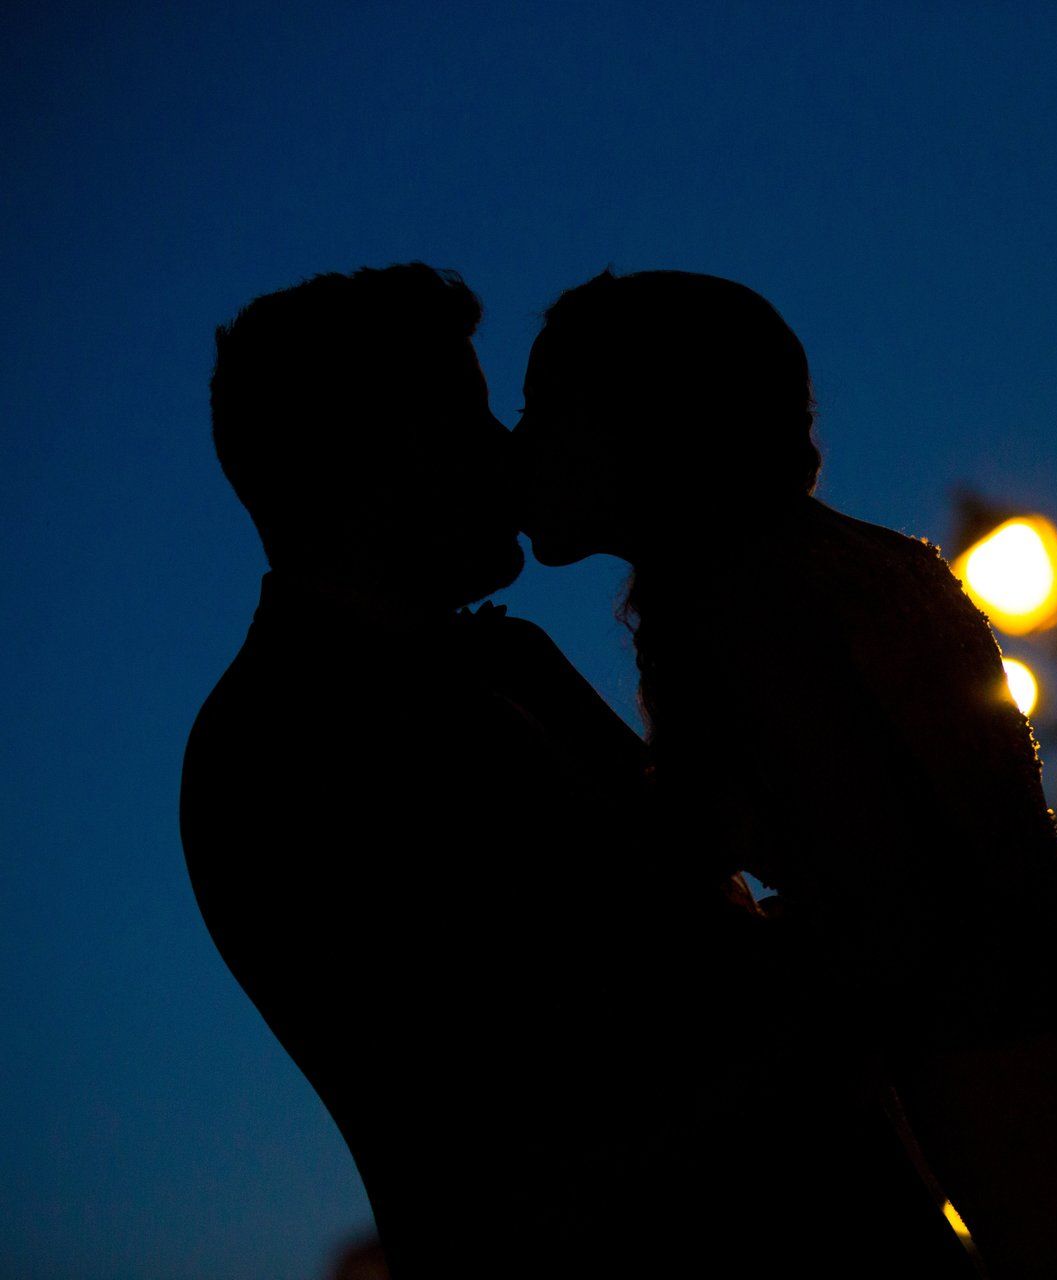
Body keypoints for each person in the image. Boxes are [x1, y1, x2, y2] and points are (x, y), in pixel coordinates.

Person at [516, 269, 1057, 1278]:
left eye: (543, 411)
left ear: (645, 427)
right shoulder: (823, 571)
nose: (518, 446)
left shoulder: (756, 608)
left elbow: (904, 918)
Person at [180, 264, 965, 1275]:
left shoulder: (506, 662)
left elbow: (695, 898)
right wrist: (867, 954)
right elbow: (539, 1084)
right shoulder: (279, 750)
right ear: (372, 457)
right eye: (466, 415)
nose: (505, 449)